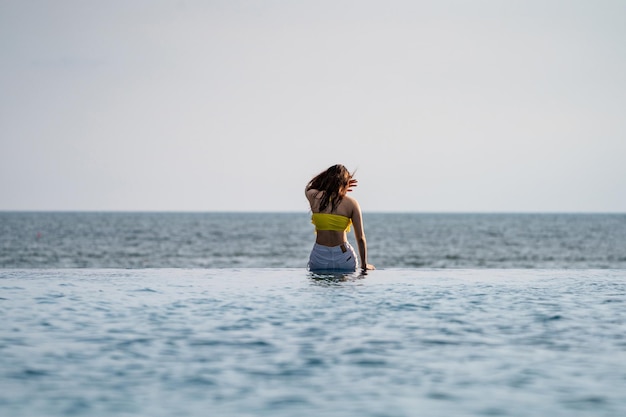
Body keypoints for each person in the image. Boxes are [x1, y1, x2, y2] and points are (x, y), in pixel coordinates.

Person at [305, 164, 375, 273]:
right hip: (344, 257)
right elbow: (361, 238)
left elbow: (309, 186)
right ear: (345, 183)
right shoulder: (351, 204)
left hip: (320, 256)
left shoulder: (314, 197)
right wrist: (364, 264)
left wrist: (329, 181)